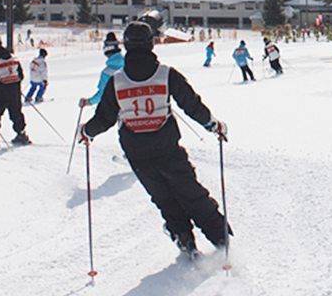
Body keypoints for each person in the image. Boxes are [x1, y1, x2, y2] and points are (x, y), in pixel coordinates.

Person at [80, 22, 232, 256]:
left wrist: (87, 132)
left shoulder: (117, 80)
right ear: (151, 43)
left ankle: (184, 240)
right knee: (190, 192)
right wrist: (213, 125)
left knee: (165, 198)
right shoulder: (166, 74)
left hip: (137, 153)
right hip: (167, 148)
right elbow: (191, 104)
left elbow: (105, 117)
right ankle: (221, 240)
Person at [80, 32, 124, 107]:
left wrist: (88, 102)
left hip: (115, 111)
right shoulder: (129, 65)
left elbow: (102, 95)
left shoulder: (107, 72)